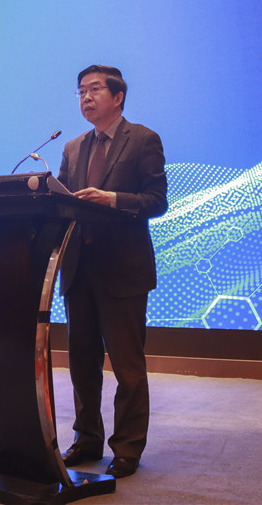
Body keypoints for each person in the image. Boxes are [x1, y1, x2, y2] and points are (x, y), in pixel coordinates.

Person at [56, 64, 168, 479]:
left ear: (118, 97)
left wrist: (113, 198)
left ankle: (127, 449)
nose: (86, 97)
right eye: (81, 91)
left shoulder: (142, 139)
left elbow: (157, 200)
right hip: (79, 270)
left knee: (127, 367)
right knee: (82, 364)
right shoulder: (72, 148)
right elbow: (62, 205)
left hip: (122, 270)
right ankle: (87, 440)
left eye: (94, 89)